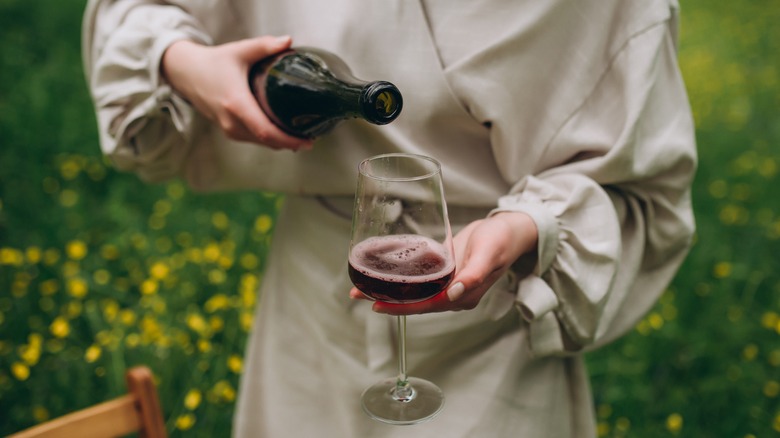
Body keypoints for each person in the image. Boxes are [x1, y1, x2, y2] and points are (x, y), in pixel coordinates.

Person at [82, 0, 697, 436]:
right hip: (312, 313)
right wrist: (183, 61)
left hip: (494, 325)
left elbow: (644, 191)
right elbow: (133, 13)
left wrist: (531, 226)